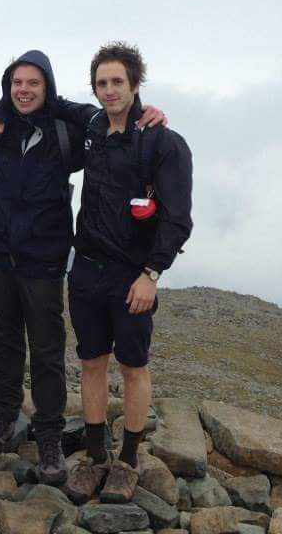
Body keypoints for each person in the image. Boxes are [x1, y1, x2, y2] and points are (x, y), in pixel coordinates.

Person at [0, 50, 165, 485]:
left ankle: (48, 434)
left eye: (33, 84)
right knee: (2, 338)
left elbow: (101, 112)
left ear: (48, 88)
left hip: (43, 259)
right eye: (16, 84)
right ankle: (3, 417)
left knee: (45, 349)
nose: (23, 91)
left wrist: (145, 112)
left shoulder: (68, 131)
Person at [63, 42, 192, 505]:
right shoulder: (93, 127)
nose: (109, 89)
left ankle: (129, 460)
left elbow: (178, 218)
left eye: (118, 81)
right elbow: (49, 103)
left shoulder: (163, 142)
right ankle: (96, 455)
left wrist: (151, 274)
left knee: (133, 366)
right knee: (91, 362)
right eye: (101, 83)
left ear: (136, 84)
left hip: (132, 276)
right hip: (86, 270)